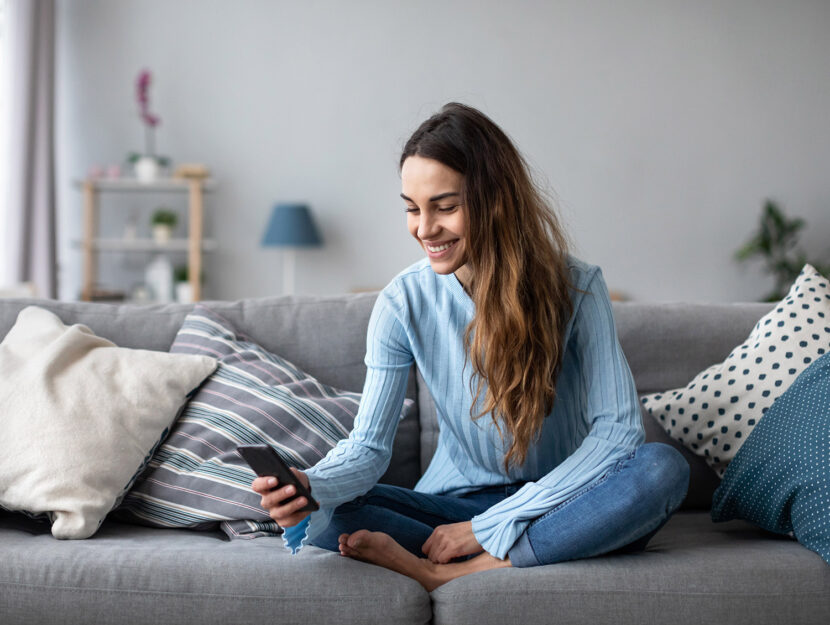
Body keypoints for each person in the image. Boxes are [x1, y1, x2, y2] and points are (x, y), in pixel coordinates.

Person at [251, 102, 690, 591]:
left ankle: (458, 570)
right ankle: (540, 549)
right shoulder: (401, 301)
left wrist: (489, 528)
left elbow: (618, 434)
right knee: (331, 514)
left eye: (445, 206)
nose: (424, 229)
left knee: (661, 469)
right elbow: (369, 449)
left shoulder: (578, 287)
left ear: (495, 200)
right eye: (413, 209)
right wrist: (311, 485)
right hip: (454, 509)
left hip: (560, 501)